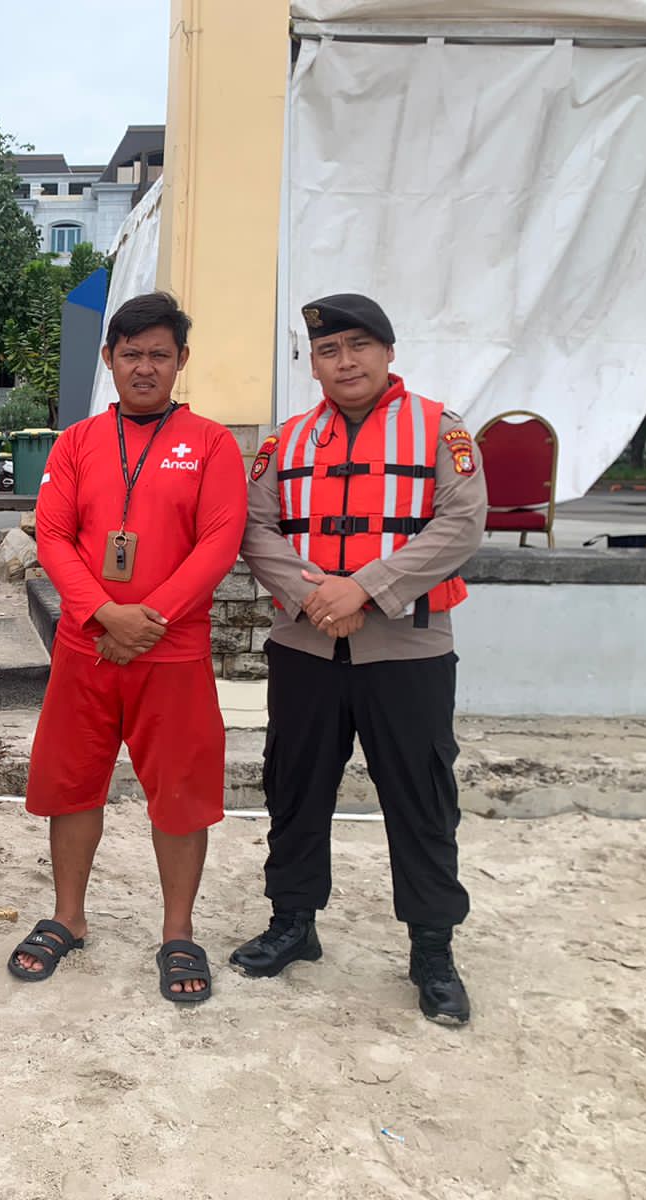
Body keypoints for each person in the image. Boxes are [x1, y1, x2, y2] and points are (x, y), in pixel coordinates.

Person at [233, 293, 486, 1026]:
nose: (344, 362)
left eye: (357, 346)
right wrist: (316, 596)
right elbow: (256, 528)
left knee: (421, 797)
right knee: (295, 785)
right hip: (306, 644)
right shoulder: (285, 442)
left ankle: (432, 950)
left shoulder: (441, 428)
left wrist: (367, 590)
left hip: (407, 645)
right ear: (312, 363)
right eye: (327, 351)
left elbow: (462, 522)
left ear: (388, 351)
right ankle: (293, 923)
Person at [10, 292, 247, 1003]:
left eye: (159, 355)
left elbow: (219, 542)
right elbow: (51, 537)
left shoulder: (210, 444)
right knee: (72, 784)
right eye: (131, 353)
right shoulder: (78, 442)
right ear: (110, 358)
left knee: (180, 796)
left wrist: (150, 616)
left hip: (171, 653)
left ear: (180, 361)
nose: (145, 367)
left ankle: (178, 932)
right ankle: (68, 917)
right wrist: (104, 615)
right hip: (88, 649)